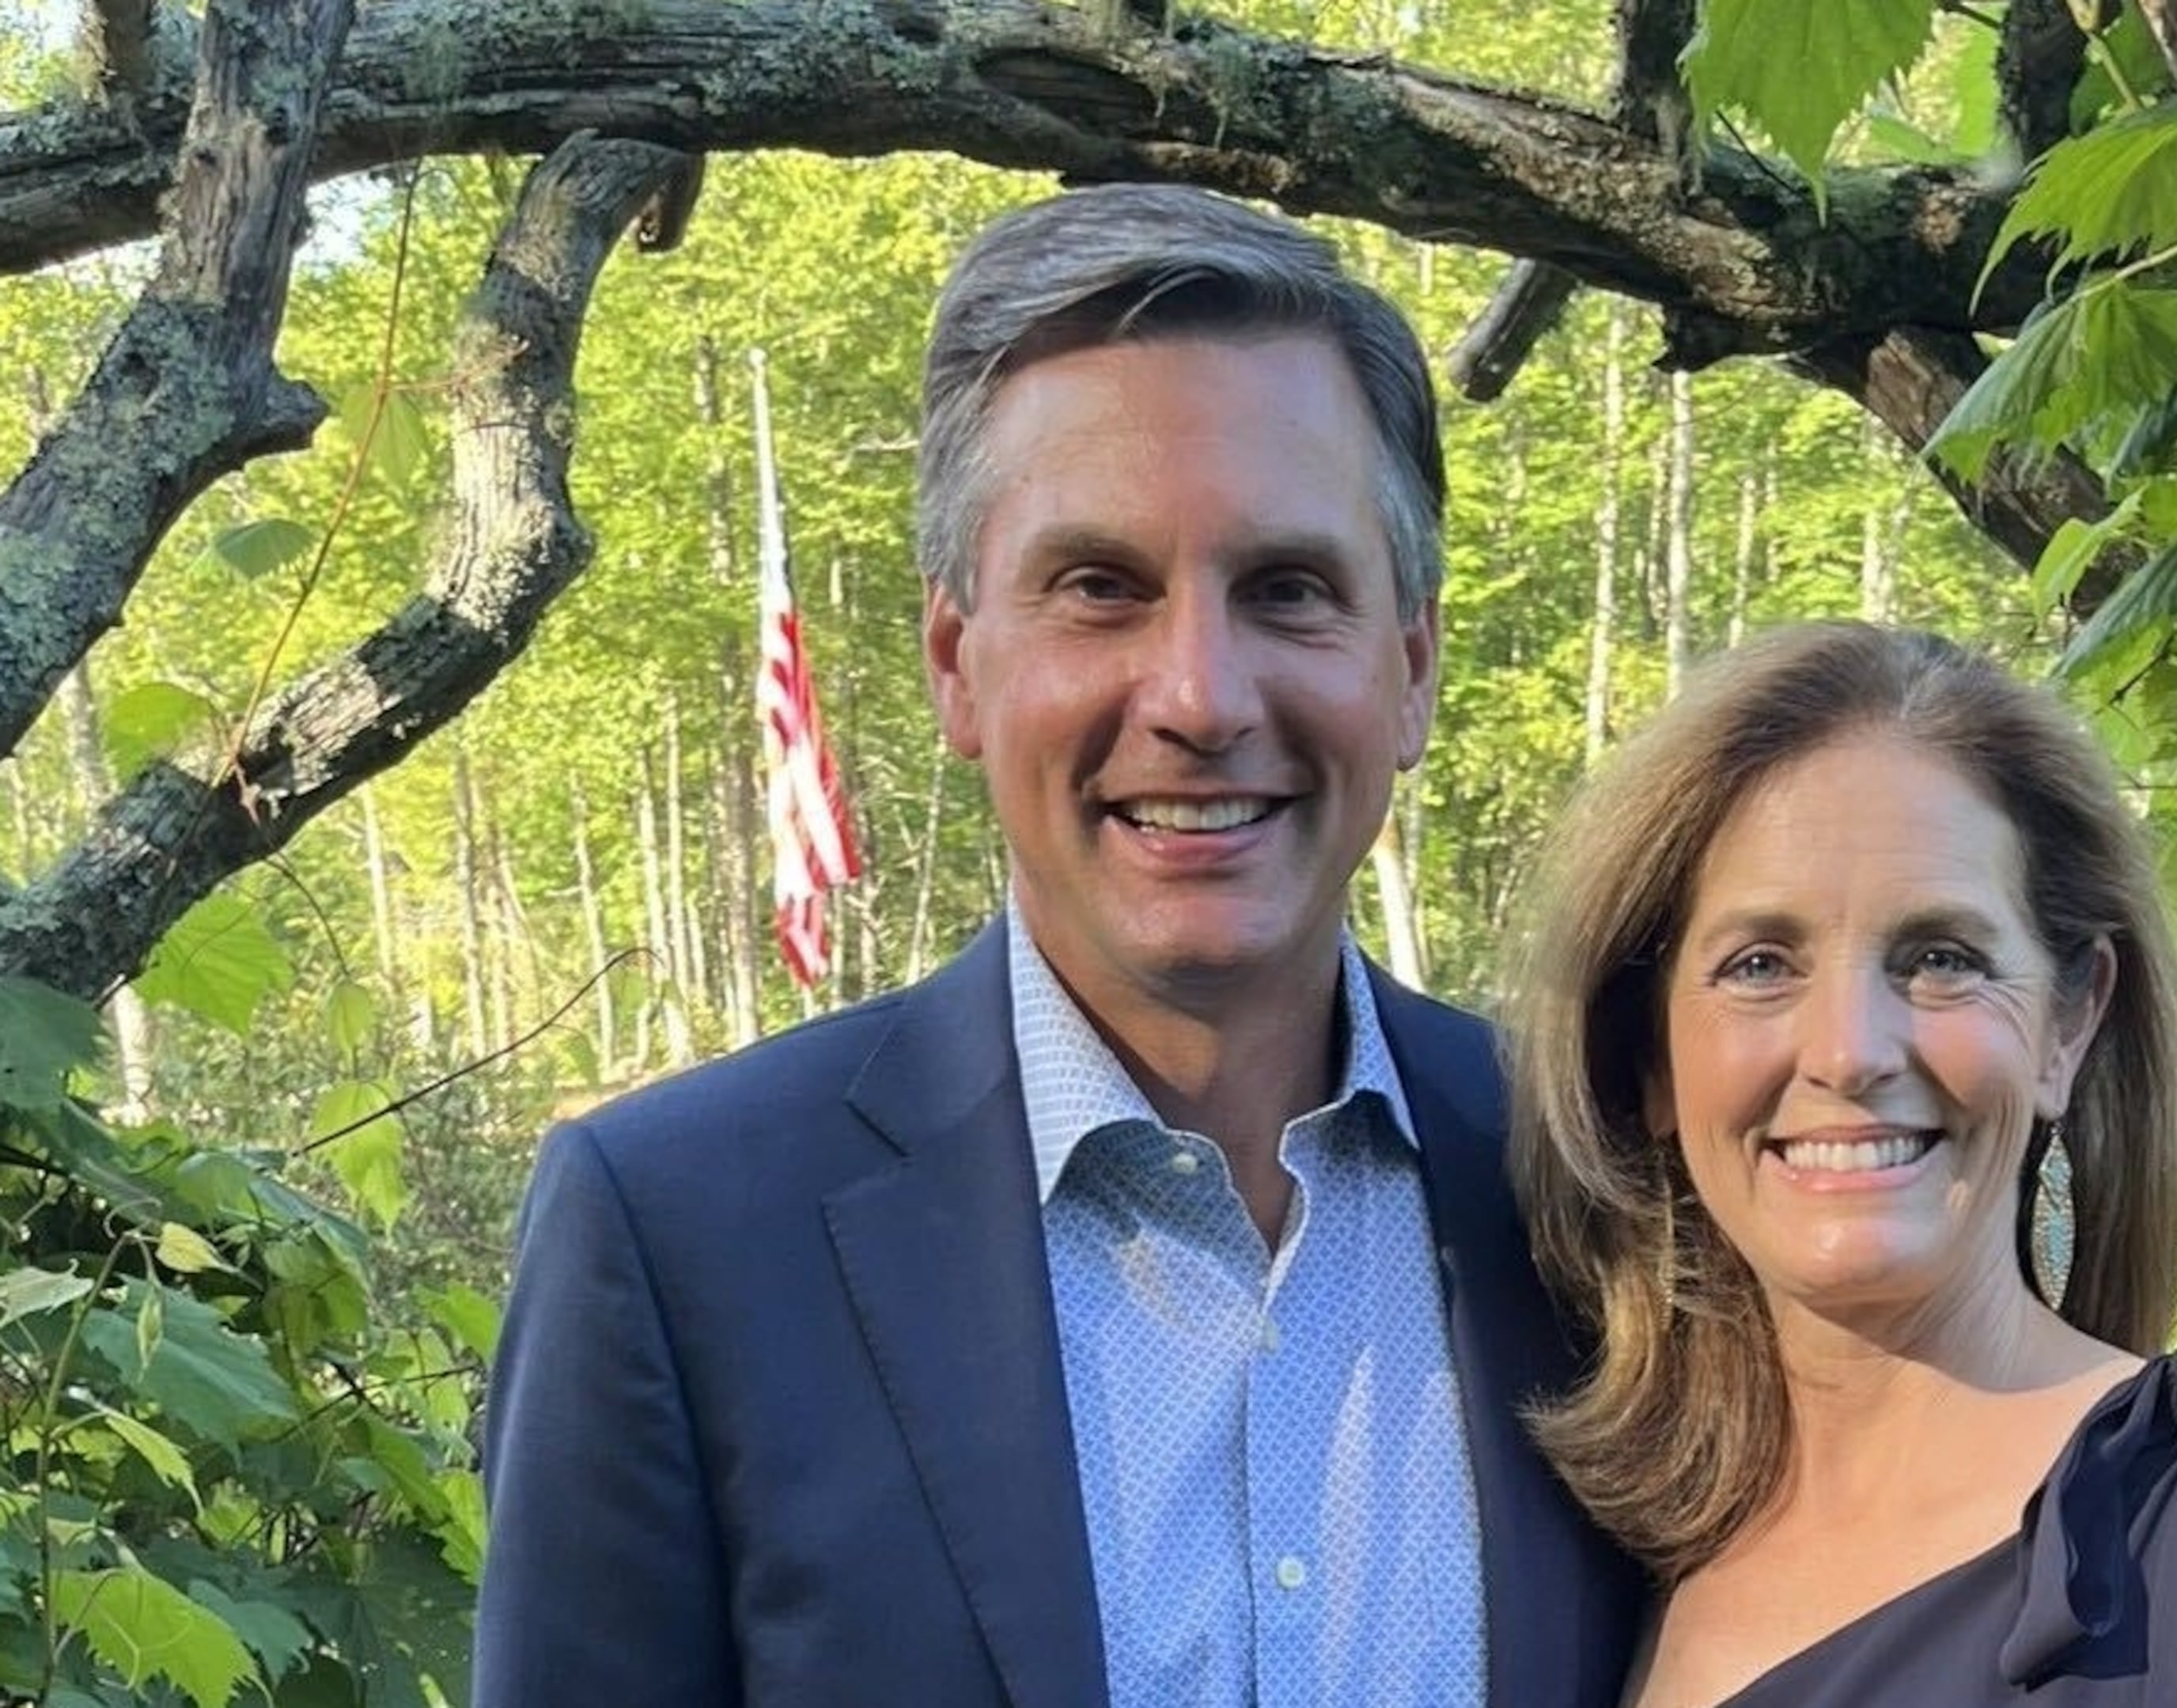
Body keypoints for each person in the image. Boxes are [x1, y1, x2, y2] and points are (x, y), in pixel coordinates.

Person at [474, 185, 1639, 1708]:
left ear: (1409, 671)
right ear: (960, 665)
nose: (1202, 696)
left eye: (1288, 590)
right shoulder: (680, 1237)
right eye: (1102, 588)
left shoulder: (1604, 1190)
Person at [1501, 622, 2177, 1706]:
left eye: (1941, 959)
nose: (1852, 1052)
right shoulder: (1592, 1569)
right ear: (1651, 1061)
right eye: (1759, 964)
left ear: (2068, 1024)